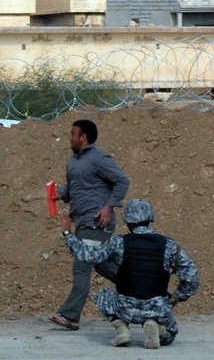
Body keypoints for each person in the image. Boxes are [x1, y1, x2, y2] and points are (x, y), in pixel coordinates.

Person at [59, 199, 199, 348]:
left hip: (125, 308)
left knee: (103, 295)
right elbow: (192, 278)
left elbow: (88, 255)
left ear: (127, 221)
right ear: (150, 219)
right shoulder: (169, 245)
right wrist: (175, 298)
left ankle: (122, 329)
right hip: (156, 307)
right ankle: (158, 329)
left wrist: (67, 233)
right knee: (170, 334)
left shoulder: (119, 243)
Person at [49, 119, 130, 331]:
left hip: (97, 222)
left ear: (83, 137)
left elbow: (122, 181)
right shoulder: (73, 161)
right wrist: (62, 193)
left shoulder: (99, 158)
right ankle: (141, 288)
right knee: (104, 265)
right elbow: (77, 187)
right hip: (83, 222)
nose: (70, 137)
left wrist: (109, 206)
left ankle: (71, 316)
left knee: (82, 266)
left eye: (72, 133)